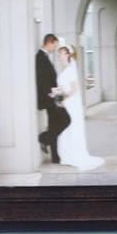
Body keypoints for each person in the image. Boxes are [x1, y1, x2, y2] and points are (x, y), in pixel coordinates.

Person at [56, 46, 104, 170]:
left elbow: (73, 89)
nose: (59, 56)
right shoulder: (66, 69)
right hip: (66, 102)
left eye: (61, 53)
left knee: (71, 127)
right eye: (59, 54)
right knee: (66, 128)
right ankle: (67, 156)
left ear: (67, 55)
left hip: (70, 103)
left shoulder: (71, 70)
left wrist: (62, 96)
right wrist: (58, 92)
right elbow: (65, 87)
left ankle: (73, 156)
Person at [35, 32, 70, 164]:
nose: (55, 49)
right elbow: (41, 79)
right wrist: (50, 94)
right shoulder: (40, 57)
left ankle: (55, 157)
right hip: (49, 98)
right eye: (54, 46)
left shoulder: (44, 56)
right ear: (49, 42)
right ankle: (44, 138)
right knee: (66, 120)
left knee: (53, 125)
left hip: (53, 97)